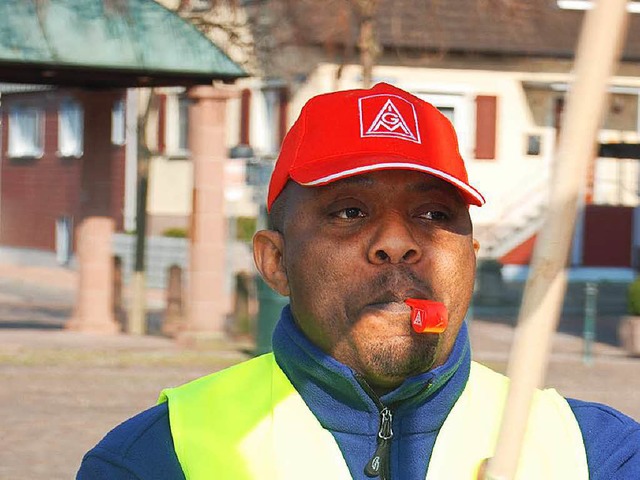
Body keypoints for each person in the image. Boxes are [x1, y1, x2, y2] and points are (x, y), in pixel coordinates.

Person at [77, 83, 640, 480]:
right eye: (348, 212)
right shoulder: (154, 459)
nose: (397, 242)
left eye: (434, 215)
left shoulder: (599, 455)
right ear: (276, 263)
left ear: (470, 259)